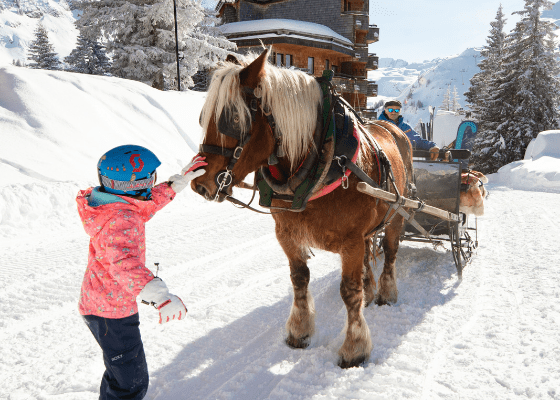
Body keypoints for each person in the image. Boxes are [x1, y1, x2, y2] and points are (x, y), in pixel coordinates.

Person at [76, 144, 206, 400]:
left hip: (104, 305)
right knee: (130, 383)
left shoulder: (112, 205)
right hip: (111, 313)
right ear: (133, 184)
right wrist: (160, 296)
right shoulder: (120, 219)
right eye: (151, 178)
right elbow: (124, 263)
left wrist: (174, 184)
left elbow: (145, 203)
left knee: (119, 371)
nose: (153, 182)